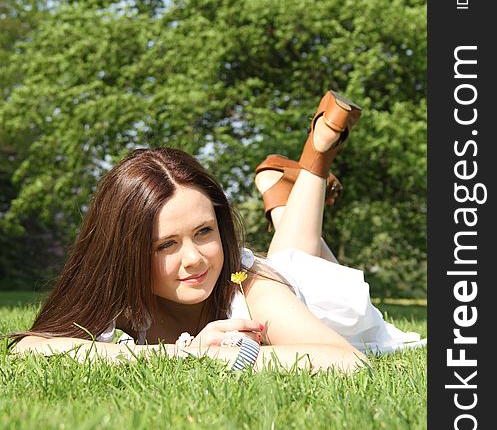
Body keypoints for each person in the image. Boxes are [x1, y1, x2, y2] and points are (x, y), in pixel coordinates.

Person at [9, 90, 425, 372]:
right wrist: (187, 354)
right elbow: (30, 347)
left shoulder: (249, 286)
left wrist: (231, 355)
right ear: (125, 251)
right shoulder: (114, 290)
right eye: (166, 244)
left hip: (306, 293)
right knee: (290, 251)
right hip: (283, 269)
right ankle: (283, 195)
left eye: (204, 231)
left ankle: (311, 163)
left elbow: (348, 361)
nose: (194, 259)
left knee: (290, 263)